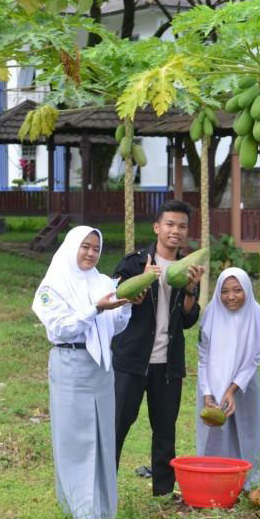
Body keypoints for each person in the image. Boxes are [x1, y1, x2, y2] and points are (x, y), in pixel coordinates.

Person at [32, 226, 140, 519]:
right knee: (74, 437)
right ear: (72, 247)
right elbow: (61, 327)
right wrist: (95, 308)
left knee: (102, 434)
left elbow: (113, 326)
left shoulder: (102, 281)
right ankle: (80, 510)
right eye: (85, 247)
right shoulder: (52, 286)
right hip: (69, 362)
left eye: (96, 248)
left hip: (101, 366)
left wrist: (126, 306)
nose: (91, 253)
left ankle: (102, 508)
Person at [112, 200, 205, 498]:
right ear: (157, 227)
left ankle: (164, 493)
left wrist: (191, 289)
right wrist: (137, 288)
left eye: (181, 226)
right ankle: (103, 486)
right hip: (132, 360)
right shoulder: (134, 263)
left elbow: (188, 319)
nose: (175, 231)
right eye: (169, 224)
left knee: (165, 430)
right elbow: (115, 300)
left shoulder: (188, 268)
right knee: (118, 424)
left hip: (168, 364)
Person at [196, 267, 260, 490]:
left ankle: (247, 483)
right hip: (212, 387)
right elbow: (203, 357)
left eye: (237, 290)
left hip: (244, 385)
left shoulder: (257, 314)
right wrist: (207, 392)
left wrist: (232, 389)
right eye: (224, 291)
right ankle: (212, 482)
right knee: (212, 435)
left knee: (246, 432)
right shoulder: (210, 313)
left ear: (247, 290)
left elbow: (254, 357)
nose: (231, 297)